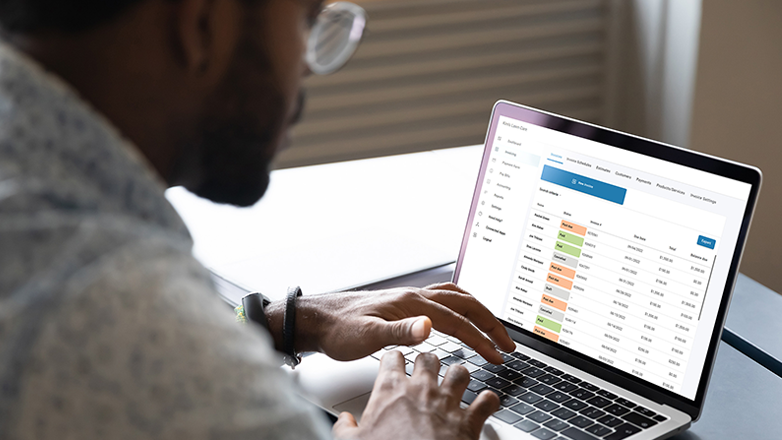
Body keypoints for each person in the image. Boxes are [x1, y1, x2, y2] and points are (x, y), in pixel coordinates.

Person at [0, 0, 517, 438]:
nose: (308, 67)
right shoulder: (109, 302)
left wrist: (287, 322)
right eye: (306, 19)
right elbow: (131, 338)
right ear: (201, 23)